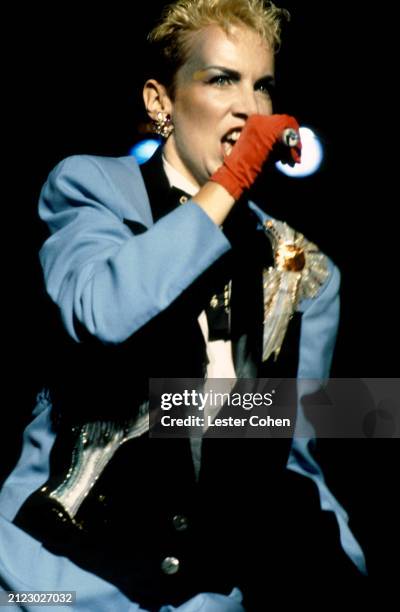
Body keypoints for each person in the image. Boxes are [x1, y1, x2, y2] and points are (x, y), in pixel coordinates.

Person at [0, 1, 367, 610]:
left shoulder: (299, 269)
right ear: (159, 103)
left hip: (200, 596)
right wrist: (234, 176)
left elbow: (288, 456)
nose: (249, 108)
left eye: (264, 87)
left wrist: (350, 566)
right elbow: (104, 313)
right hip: (55, 585)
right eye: (221, 79)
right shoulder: (91, 189)